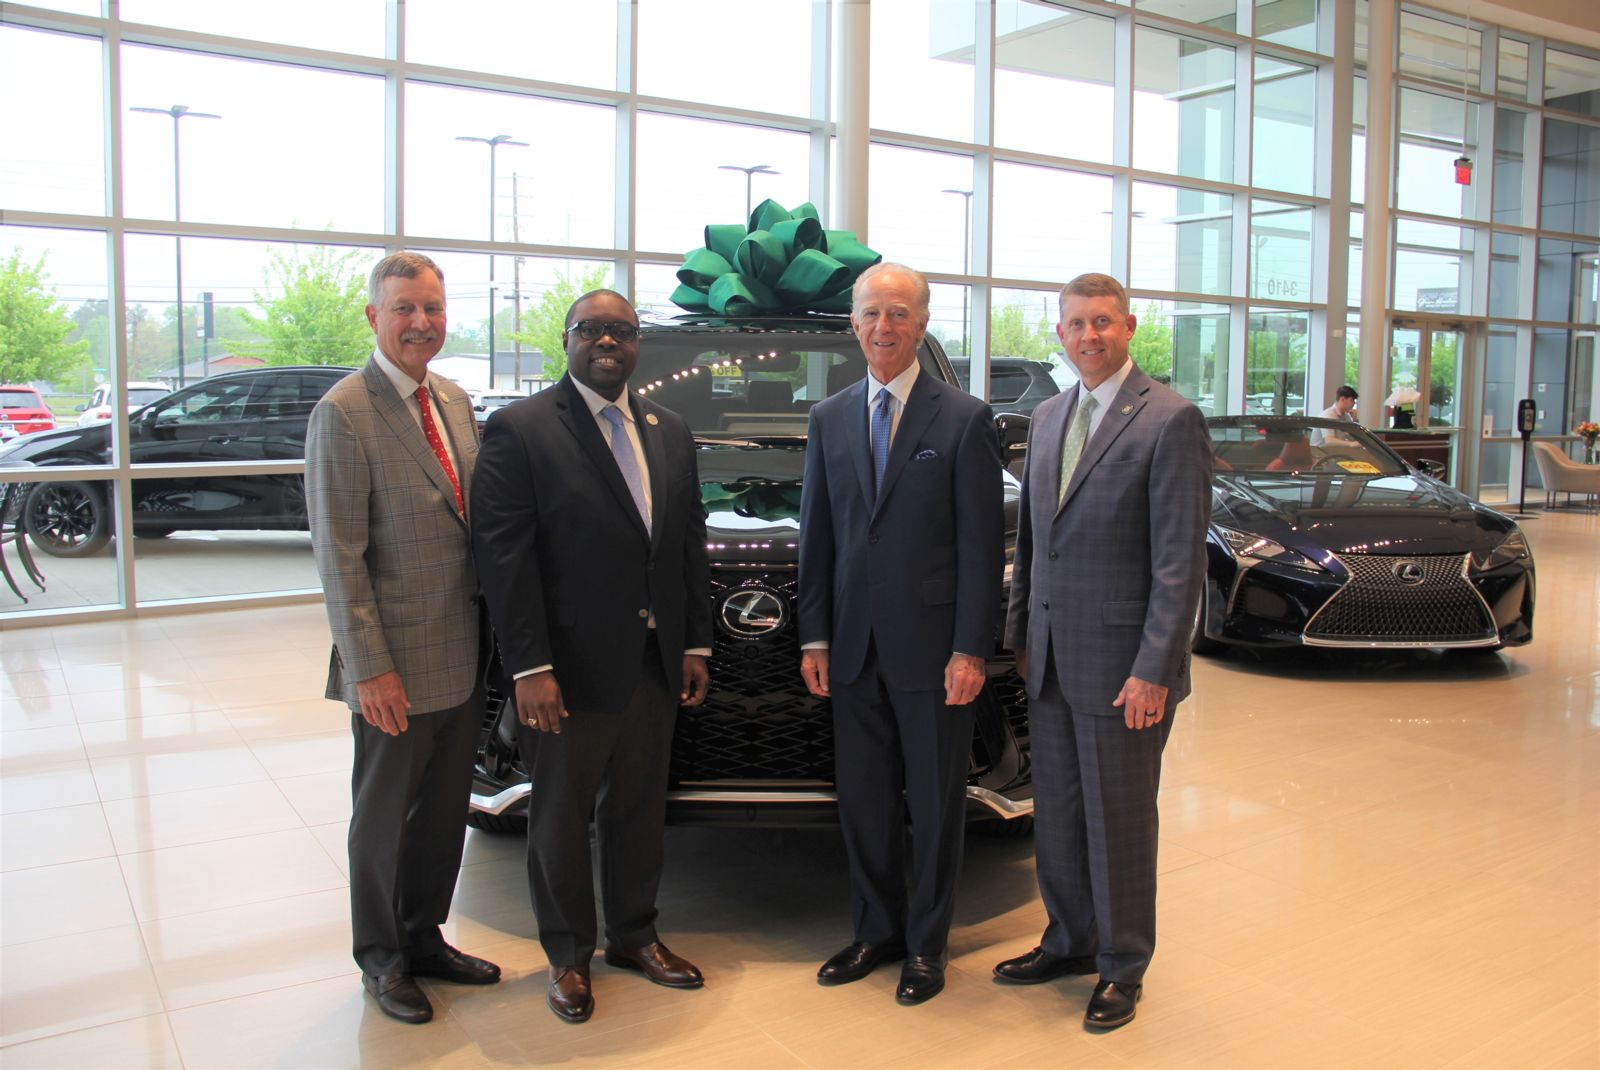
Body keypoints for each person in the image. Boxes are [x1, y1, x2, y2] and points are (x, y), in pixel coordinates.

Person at [470, 289, 713, 1025]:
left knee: (640, 808)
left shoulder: (668, 429)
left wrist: (693, 641)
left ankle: (634, 937)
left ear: (638, 345)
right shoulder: (521, 429)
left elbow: (685, 546)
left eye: (622, 331)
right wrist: (528, 667)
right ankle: (569, 957)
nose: (608, 342)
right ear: (568, 339)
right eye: (593, 330)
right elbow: (504, 561)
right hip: (564, 672)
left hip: (652, 661)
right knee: (561, 819)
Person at [994, 272, 1209, 1031]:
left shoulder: (1170, 420)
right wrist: (1021, 638)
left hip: (1125, 670)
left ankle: (1122, 966)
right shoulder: (1048, 416)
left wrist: (1156, 667)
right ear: (1059, 334)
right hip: (1050, 659)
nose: (1090, 335)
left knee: (1118, 820)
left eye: (1104, 323)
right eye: (1077, 324)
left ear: (1130, 328)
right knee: (1056, 814)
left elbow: (1179, 563)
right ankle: (1068, 938)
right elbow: (1034, 543)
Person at [798, 262, 1004, 1005]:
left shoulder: (963, 419)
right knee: (867, 801)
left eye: (898, 314)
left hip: (934, 654)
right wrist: (813, 636)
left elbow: (981, 547)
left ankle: (926, 946)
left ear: (921, 324)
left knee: (936, 805)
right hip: (851, 650)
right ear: (851, 325)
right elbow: (817, 538)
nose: (882, 328)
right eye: (869, 314)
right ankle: (874, 930)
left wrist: (971, 648)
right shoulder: (830, 417)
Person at [306, 251, 501, 1025]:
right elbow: (338, 560)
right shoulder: (345, 411)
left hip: (461, 653)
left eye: (432, 308)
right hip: (393, 664)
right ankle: (382, 960)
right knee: (384, 820)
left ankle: (425, 938)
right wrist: (369, 670)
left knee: (444, 813)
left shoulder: (452, 399)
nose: (421, 323)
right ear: (374, 317)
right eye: (404, 309)